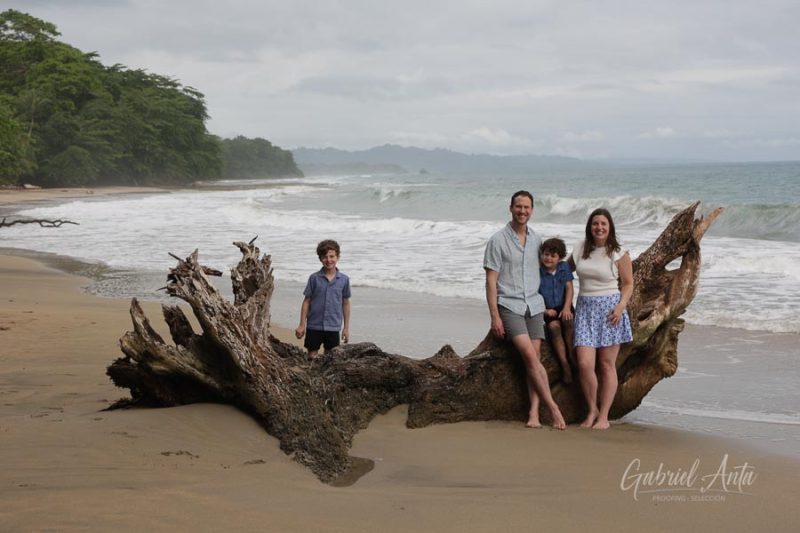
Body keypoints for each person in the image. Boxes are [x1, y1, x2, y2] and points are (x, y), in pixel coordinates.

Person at [484, 191, 567, 430]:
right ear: (511, 208)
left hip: (535, 305)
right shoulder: (497, 241)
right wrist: (494, 316)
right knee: (530, 356)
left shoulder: (537, 240)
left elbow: (551, 268)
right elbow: (491, 281)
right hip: (509, 306)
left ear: (532, 210)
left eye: (527, 207)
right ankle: (553, 408)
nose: (523, 211)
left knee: (535, 359)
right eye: (518, 207)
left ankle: (534, 413)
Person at [568, 208, 633, 430]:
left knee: (606, 365)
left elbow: (628, 283)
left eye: (603, 224)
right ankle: (591, 410)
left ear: (610, 227)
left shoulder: (618, 252)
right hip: (585, 309)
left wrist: (620, 307)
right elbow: (564, 273)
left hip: (610, 312)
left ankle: (604, 416)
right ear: (590, 226)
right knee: (585, 364)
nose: (599, 227)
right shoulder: (579, 249)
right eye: (595, 223)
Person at [295, 239, 351, 358]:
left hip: (333, 326)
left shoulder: (344, 280)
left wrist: (345, 328)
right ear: (320, 259)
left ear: (338, 257)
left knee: (330, 358)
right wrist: (301, 325)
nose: (329, 260)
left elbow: (345, 303)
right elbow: (306, 301)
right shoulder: (314, 278)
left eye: (332, 256)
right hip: (314, 325)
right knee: (311, 356)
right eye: (325, 257)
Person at [538, 237, 575, 384]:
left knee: (568, 321)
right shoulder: (538, 271)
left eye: (553, 256)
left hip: (564, 305)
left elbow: (569, 288)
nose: (548, 258)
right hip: (548, 309)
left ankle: (573, 357)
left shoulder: (564, 267)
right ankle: (565, 365)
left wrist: (566, 307)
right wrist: (545, 310)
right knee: (553, 327)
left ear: (559, 258)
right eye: (546, 254)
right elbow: (533, 294)